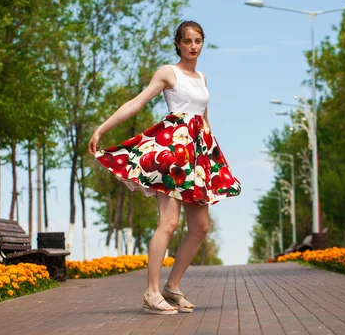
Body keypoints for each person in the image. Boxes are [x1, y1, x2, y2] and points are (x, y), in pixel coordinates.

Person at [88, 20, 241, 315]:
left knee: (200, 227)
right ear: (178, 44)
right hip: (171, 155)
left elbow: (203, 119)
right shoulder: (168, 73)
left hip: (196, 156)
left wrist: (211, 158)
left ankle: (172, 287)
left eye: (198, 41)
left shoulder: (202, 77)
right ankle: (151, 291)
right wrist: (101, 129)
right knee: (168, 224)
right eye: (188, 41)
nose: (193, 46)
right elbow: (137, 102)